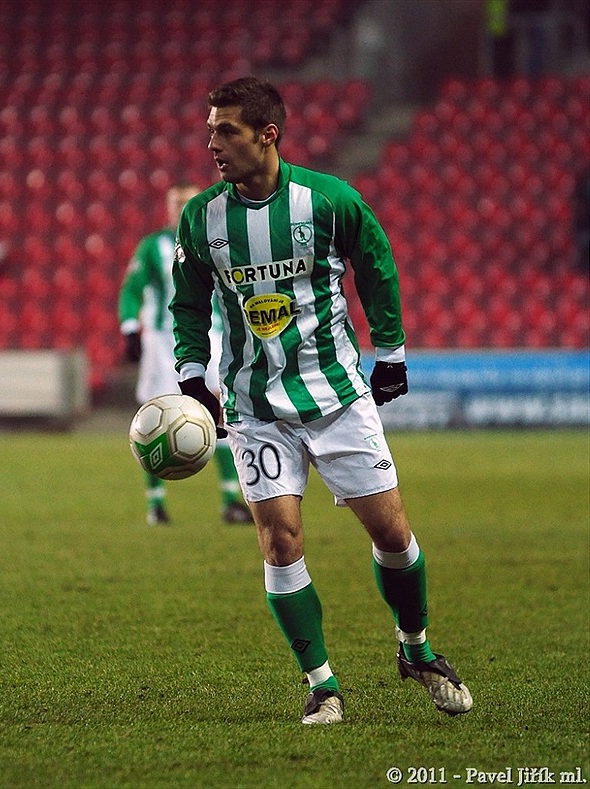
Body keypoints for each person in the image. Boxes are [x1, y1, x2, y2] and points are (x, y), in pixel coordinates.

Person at [170, 77, 473, 724]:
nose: (212, 142)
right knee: (279, 542)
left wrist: (389, 352)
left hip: (336, 396)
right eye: (209, 128)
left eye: (227, 130)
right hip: (254, 408)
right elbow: (188, 301)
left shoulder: (328, 200)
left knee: (393, 533)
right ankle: (322, 683)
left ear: (267, 134)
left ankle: (416, 649)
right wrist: (193, 372)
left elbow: (377, 260)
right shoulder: (201, 218)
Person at [119, 183, 253, 527]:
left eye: (187, 202)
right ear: (167, 207)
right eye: (175, 202)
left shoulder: (217, 241)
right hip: (164, 343)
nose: (180, 208)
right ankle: (156, 505)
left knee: (221, 415)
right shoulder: (153, 246)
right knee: (155, 420)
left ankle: (232, 501)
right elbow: (132, 290)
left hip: (213, 337)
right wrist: (130, 326)